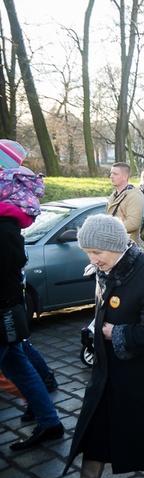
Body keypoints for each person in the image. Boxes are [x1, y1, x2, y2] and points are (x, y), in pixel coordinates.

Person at [64, 215, 144, 478]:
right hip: (107, 371)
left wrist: (117, 334)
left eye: (96, 252)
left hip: (141, 376)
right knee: (95, 428)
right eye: (88, 253)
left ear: (115, 246)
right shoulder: (107, 268)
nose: (92, 260)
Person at [0, 141, 64, 451]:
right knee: (19, 366)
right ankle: (49, 422)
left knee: (20, 366)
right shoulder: (6, 226)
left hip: (4, 310)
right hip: (7, 309)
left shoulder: (5, 229)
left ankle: (50, 421)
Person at [106, 162, 144, 244]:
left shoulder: (134, 196)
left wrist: (109, 229)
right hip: (113, 243)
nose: (111, 176)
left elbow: (133, 224)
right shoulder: (113, 195)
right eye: (111, 173)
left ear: (125, 176)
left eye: (115, 174)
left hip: (126, 245)